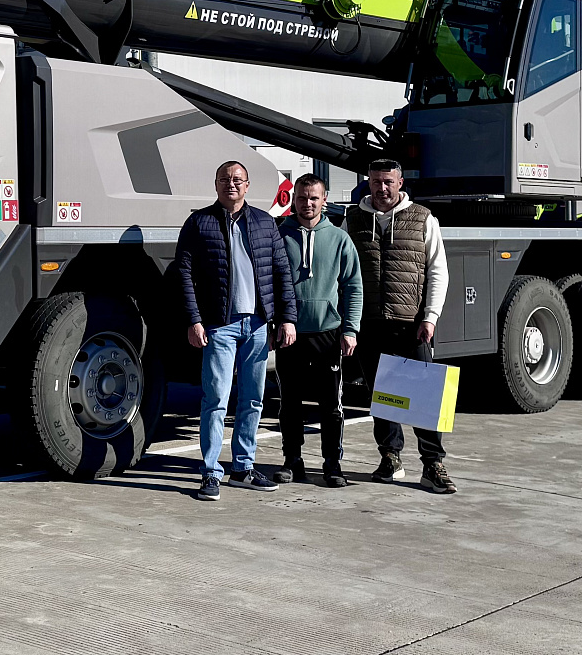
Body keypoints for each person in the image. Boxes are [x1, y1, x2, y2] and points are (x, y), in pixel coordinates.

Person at [177, 159, 298, 501]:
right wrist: (194, 319)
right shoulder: (199, 223)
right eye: (225, 179)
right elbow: (183, 274)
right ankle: (212, 472)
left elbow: (281, 272)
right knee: (215, 400)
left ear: (248, 186)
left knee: (253, 400)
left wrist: (287, 318)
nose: (231, 184)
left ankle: (243, 469)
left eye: (238, 180)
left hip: (258, 325)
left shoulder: (263, 223)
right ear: (215, 185)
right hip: (219, 326)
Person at [346, 158, 456, 494]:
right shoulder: (352, 219)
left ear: (400, 182)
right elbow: (344, 271)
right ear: (369, 181)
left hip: (411, 323)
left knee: (426, 397)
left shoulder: (423, 218)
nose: (381, 188)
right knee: (383, 396)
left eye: (388, 182)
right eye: (376, 181)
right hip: (370, 322)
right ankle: (390, 457)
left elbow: (438, 270)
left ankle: (433, 464)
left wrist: (430, 317)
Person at [273, 174, 362, 488]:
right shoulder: (279, 236)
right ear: (293, 199)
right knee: (290, 402)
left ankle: (332, 465)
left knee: (330, 403)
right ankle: (292, 461)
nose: (307, 204)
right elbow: (268, 284)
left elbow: (353, 287)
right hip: (290, 332)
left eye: (314, 198)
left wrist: (350, 329)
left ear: (324, 200)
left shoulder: (339, 239)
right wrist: (277, 321)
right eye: (301, 197)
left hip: (328, 333)